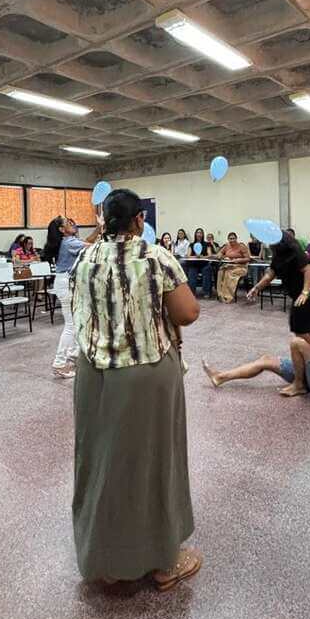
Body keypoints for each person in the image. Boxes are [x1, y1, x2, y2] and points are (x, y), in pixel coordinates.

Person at [70, 189, 201, 589]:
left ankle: (105, 559)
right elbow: (187, 312)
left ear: (104, 220)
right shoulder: (154, 256)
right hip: (145, 371)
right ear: (139, 220)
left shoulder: (84, 257)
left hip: (92, 372)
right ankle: (162, 562)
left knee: (100, 462)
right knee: (152, 461)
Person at [41, 215, 102, 379]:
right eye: (68, 223)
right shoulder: (69, 243)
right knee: (71, 325)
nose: (73, 224)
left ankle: (72, 357)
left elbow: (87, 241)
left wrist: (98, 228)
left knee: (78, 322)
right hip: (67, 283)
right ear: (62, 230)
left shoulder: (69, 241)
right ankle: (60, 363)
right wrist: (103, 232)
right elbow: (92, 247)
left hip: (65, 282)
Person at [247, 231, 310, 343]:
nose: (270, 244)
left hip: (307, 294)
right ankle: (308, 352)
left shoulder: (294, 252)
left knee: (301, 330)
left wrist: (305, 293)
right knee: (300, 329)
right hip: (296, 294)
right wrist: (256, 288)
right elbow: (270, 274)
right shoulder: (278, 255)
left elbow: (309, 270)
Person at [215, 232, 251, 302]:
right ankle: (220, 294)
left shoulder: (241, 246)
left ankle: (228, 296)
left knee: (229, 273)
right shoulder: (227, 246)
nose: (232, 240)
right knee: (220, 271)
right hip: (229, 265)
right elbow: (220, 253)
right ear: (228, 239)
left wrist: (238, 260)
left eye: (233, 238)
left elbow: (248, 258)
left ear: (236, 239)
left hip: (241, 267)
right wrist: (220, 255)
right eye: (230, 239)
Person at [185, 227, 216, 297]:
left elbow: (210, 255)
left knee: (207, 269)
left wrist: (202, 257)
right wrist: (196, 257)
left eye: (200, 233)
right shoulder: (191, 244)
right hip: (194, 264)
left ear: (203, 235)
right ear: (195, 234)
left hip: (204, 264)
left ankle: (206, 292)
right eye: (198, 233)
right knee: (192, 273)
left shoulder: (207, 244)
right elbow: (188, 256)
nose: (199, 234)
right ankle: (192, 292)